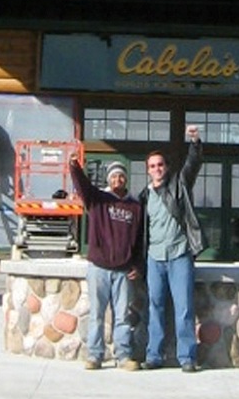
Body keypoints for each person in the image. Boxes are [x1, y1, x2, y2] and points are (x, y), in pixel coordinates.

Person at [138, 125, 206, 372]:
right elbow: (139, 232)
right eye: (152, 166)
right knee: (154, 306)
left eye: (160, 165)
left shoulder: (179, 184)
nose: (157, 169)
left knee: (184, 307)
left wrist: (195, 141)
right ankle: (153, 355)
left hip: (179, 256)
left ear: (166, 167)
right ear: (148, 170)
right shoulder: (144, 196)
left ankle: (187, 358)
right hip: (154, 259)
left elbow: (192, 164)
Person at [69, 155, 143, 371]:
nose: (117, 179)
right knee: (97, 315)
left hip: (123, 271)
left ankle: (123, 356)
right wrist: (74, 167)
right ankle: (94, 355)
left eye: (121, 176)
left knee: (122, 317)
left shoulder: (135, 207)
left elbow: (140, 241)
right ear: (109, 180)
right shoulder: (98, 200)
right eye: (113, 176)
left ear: (126, 179)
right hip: (98, 268)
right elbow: (82, 186)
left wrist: (137, 265)